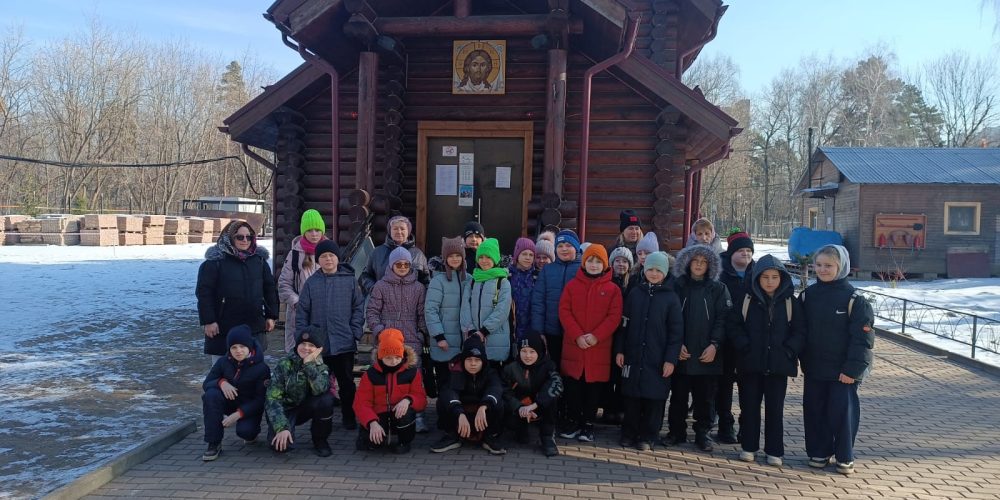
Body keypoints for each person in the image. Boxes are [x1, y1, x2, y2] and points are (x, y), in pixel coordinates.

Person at [799, 244, 874, 475]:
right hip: (815, 368)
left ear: (841, 267)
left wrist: (853, 369)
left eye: (828, 266)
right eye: (818, 265)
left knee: (842, 413)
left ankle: (844, 455)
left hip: (843, 371)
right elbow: (800, 331)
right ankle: (818, 452)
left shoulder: (854, 300)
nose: (822, 270)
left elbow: (863, 338)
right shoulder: (807, 296)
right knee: (815, 411)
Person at [729, 254, 805, 466]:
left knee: (775, 409)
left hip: (778, 365)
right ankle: (749, 446)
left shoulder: (790, 302)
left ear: (781, 278)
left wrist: (789, 350)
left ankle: (774, 450)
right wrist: (744, 346)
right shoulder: (746, 299)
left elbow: (800, 331)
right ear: (757, 279)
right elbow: (734, 325)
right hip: (750, 364)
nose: (770, 281)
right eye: (765, 277)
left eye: (774, 277)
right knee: (749, 407)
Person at [664, 245, 731, 452]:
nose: (699, 265)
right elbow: (669, 317)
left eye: (703, 262)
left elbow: (723, 319)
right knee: (679, 396)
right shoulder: (677, 286)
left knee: (705, 397)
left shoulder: (718, 289)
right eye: (695, 261)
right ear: (687, 263)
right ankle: (676, 431)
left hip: (707, 354)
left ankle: (703, 433)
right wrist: (677, 344)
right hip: (682, 352)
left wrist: (715, 345)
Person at [615, 251, 683, 451]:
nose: (653, 274)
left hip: (658, 357)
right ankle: (629, 432)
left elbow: (676, 332)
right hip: (634, 355)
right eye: (650, 270)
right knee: (632, 397)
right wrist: (620, 350)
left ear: (664, 272)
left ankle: (648, 435)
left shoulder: (671, 298)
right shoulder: (635, 293)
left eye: (658, 270)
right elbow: (623, 325)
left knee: (654, 399)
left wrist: (671, 359)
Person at [295, 239, 365, 431]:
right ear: (318, 260)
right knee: (321, 384)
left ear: (337, 258)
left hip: (344, 342)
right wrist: (302, 339)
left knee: (347, 383)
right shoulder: (311, 283)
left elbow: (358, 307)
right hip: (319, 345)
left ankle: (349, 416)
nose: (328, 260)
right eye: (324, 257)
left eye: (331, 256)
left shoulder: (349, 280)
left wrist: (355, 331)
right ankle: (322, 419)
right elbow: (302, 313)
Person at [557, 245, 623, 443]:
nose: (593, 265)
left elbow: (614, 317)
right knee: (573, 388)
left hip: (598, 348)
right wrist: (577, 335)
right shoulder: (572, 285)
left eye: (598, 262)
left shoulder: (613, 289)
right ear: (584, 262)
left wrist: (596, 336)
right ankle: (573, 422)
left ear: (604, 265)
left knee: (592, 390)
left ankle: (587, 424)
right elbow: (564, 311)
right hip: (574, 347)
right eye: (590, 261)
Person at [366, 246, 429, 431]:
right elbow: (372, 312)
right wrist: (379, 330)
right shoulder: (380, 286)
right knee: (386, 375)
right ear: (392, 265)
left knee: (413, 377)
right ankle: (383, 411)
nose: (402, 267)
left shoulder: (418, 287)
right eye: (398, 264)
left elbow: (422, 314)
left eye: (406, 264)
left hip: (411, 337)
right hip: (388, 335)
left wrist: (421, 334)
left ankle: (417, 414)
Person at [196, 220, 279, 361]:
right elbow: (204, 293)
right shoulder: (214, 262)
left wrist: (271, 315)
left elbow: (269, 289)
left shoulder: (259, 261)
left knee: (253, 372)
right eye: (240, 237)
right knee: (222, 372)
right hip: (223, 326)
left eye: (249, 237)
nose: (245, 240)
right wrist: (209, 321)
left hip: (254, 325)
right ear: (229, 237)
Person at [201, 325, 271, 461]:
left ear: (249, 347)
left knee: (246, 432)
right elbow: (206, 384)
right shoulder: (223, 362)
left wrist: (239, 414)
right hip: (228, 401)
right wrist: (221, 382)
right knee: (210, 395)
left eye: (242, 347)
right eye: (234, 347)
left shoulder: (262, 368)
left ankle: (252, 433)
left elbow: (261, 400)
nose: (238, 351)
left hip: (248, 407)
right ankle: (213, 443)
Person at [353, 329, 427, 454]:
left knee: (406, 413)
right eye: (388, 358)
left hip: (400, 415)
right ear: (380, 357)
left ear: (403, 354)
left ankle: (404, 442)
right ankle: (368, 434)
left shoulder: (412, 372)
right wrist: (371, 422)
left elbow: (422, 400)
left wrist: (408, 399)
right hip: (377, 416)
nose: (393, 362)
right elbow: (361, 403)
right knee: (372, 445)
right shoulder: (370, 374)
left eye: (397, 357)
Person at [265, 327, 335, 457]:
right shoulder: (284, 364)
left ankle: (320, 440)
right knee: (281, 447)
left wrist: (308, 365)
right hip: (286, 409)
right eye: (302, 344)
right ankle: (284, 430)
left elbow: (321, 389)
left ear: (319, 349)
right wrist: (282, 427)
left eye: (311, 345)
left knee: (326, 400)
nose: (306, 348)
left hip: (306, 408)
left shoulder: (322, 367)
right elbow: (272, 399)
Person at [430, 337, 506, 455]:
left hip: (482, 415)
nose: (473, 364)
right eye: (469, 359)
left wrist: (484, 406)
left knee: (498, 402)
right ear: (463, 360)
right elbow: (449, 392)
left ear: (483, 361)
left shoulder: (490, 372)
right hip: (461, 415)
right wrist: (459, 412)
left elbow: (496, 388)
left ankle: (489, 436)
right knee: (442, 401)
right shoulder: (456, 371)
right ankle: (452, 436)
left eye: (477, 360)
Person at [716, 229, 756, 444]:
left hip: (748, 341)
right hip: (724, 339)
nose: (745, 255)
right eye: (741, 250)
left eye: (749, 251)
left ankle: (746, 425)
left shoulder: (758, 274)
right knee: (723, 385)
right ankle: (725, 425)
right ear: (731, 253)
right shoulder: (720, 273)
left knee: (747, 385)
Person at [501, 332, 563, 457]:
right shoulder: (510, 368)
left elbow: (557, 385)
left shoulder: (549, 366)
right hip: (520, 408)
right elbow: (504, 391)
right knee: (504, 407)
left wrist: (535, 405)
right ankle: (520, 428)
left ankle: (547, 437)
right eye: (524, 351)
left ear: (540, 352)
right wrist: (519, 407)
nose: (527, 356)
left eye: (532, 351)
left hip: (538, 406)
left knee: (552, 398)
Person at [277, 209, 328, 353]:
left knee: (321, 356)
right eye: (310, 230)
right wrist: (297, 302)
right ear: (303, 232)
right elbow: (284, 284)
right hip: (299, 315)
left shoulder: (329, 252)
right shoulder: (294, 255)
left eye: (317, 230)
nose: (314, 234)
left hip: (323, 313)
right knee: (299, 356)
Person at [530, 230, 582, 367]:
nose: (564, 249)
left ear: (576, 247)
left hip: (575, 332)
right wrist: (539, 331)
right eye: (560, 246)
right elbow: (538, 303)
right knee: (552, 368)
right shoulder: (548, 270)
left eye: (568, 245)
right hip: (550, 331)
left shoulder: (583, 269)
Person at [425, 236, 468, 393]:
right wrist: (439, 336)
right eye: (451, 256)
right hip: (445, 342)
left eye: (458, 255)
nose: (455, 259)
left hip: (464, 343)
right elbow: (430, 310)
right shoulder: (438, 281)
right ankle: (443, 415)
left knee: (460, 384)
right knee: (445, 384)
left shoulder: (469, 280)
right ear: (445, 259)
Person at [461, 237, 513, 367]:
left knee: (494, 377)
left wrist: (484, 331)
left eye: (488, 257)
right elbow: (465, 307)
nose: (484, 261)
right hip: (473, 337)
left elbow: (502, 310)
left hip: (495, 337)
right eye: (481, 257)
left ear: (495, 259)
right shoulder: (473, 281)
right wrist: (471, 330)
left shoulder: (502, 282)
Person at [600, 247, 634, 425]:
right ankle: (608, 408)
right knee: (608, 374)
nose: (621, 264)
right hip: (609, 333)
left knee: (622, 373)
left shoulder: (632, 283)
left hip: (626, 332)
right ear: (611, 264)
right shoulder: (606, 281)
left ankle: (620, 408)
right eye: (618, 261)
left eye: (625, 261)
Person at [360, 215, 429, 295]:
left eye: (402, 229)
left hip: (411, 304)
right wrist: (374, 289)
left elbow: (426, 280)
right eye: (395, 228)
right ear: (390, 231)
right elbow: (366, 275)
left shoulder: (418, 254)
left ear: (408, 231)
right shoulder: (376, 253)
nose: (399, 232)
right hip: (383, 303)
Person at [509, 237, 537, 342]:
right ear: (517, 255)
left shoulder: (536, 276)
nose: (528, 258)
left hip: (531, 325)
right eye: (524, 254)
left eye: (531, 255)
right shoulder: (508, 275)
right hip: (512, 325)